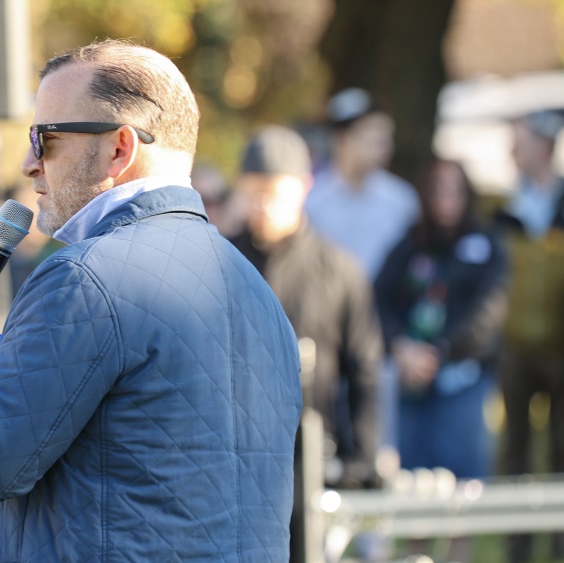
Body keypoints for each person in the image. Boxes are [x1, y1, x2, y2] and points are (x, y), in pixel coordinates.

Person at [0, 40, 302, 561]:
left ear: (119, 148)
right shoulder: (256, 288)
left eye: (45, 139)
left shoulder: (83, 278)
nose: (28, 164)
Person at [227, 125, 384, 561]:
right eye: (253, 191)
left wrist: (361, 457)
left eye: (273, 192)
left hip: (311, 449)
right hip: (231, 450)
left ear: (303, 187)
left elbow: (365, 369)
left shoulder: (338, 270)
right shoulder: (220, 261)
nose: (262, 204)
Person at [376, 158, 507, 562]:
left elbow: (488, 313)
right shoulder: (410, 244)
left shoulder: (486, 244)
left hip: (462, 380)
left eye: (455, 190)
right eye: (438, 189)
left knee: (463, 484)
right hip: (414, 383)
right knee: (415, 481)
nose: (446, 199)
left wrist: (441, 351)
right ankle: (418, 556)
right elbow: (379, 300)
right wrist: (401, 347)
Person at [494, 109, 564, 563]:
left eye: (521, 143)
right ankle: (517, 547)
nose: (513, 153)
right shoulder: (504, 207)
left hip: (560, 349)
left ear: (545, 146)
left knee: (561, 450)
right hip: (515, 348)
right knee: (514, 452)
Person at [304, 87, 420, 281]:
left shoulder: (402, 201)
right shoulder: (311, 201)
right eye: (373, 135)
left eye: (386, 136)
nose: (386, 145)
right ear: (342, 139)